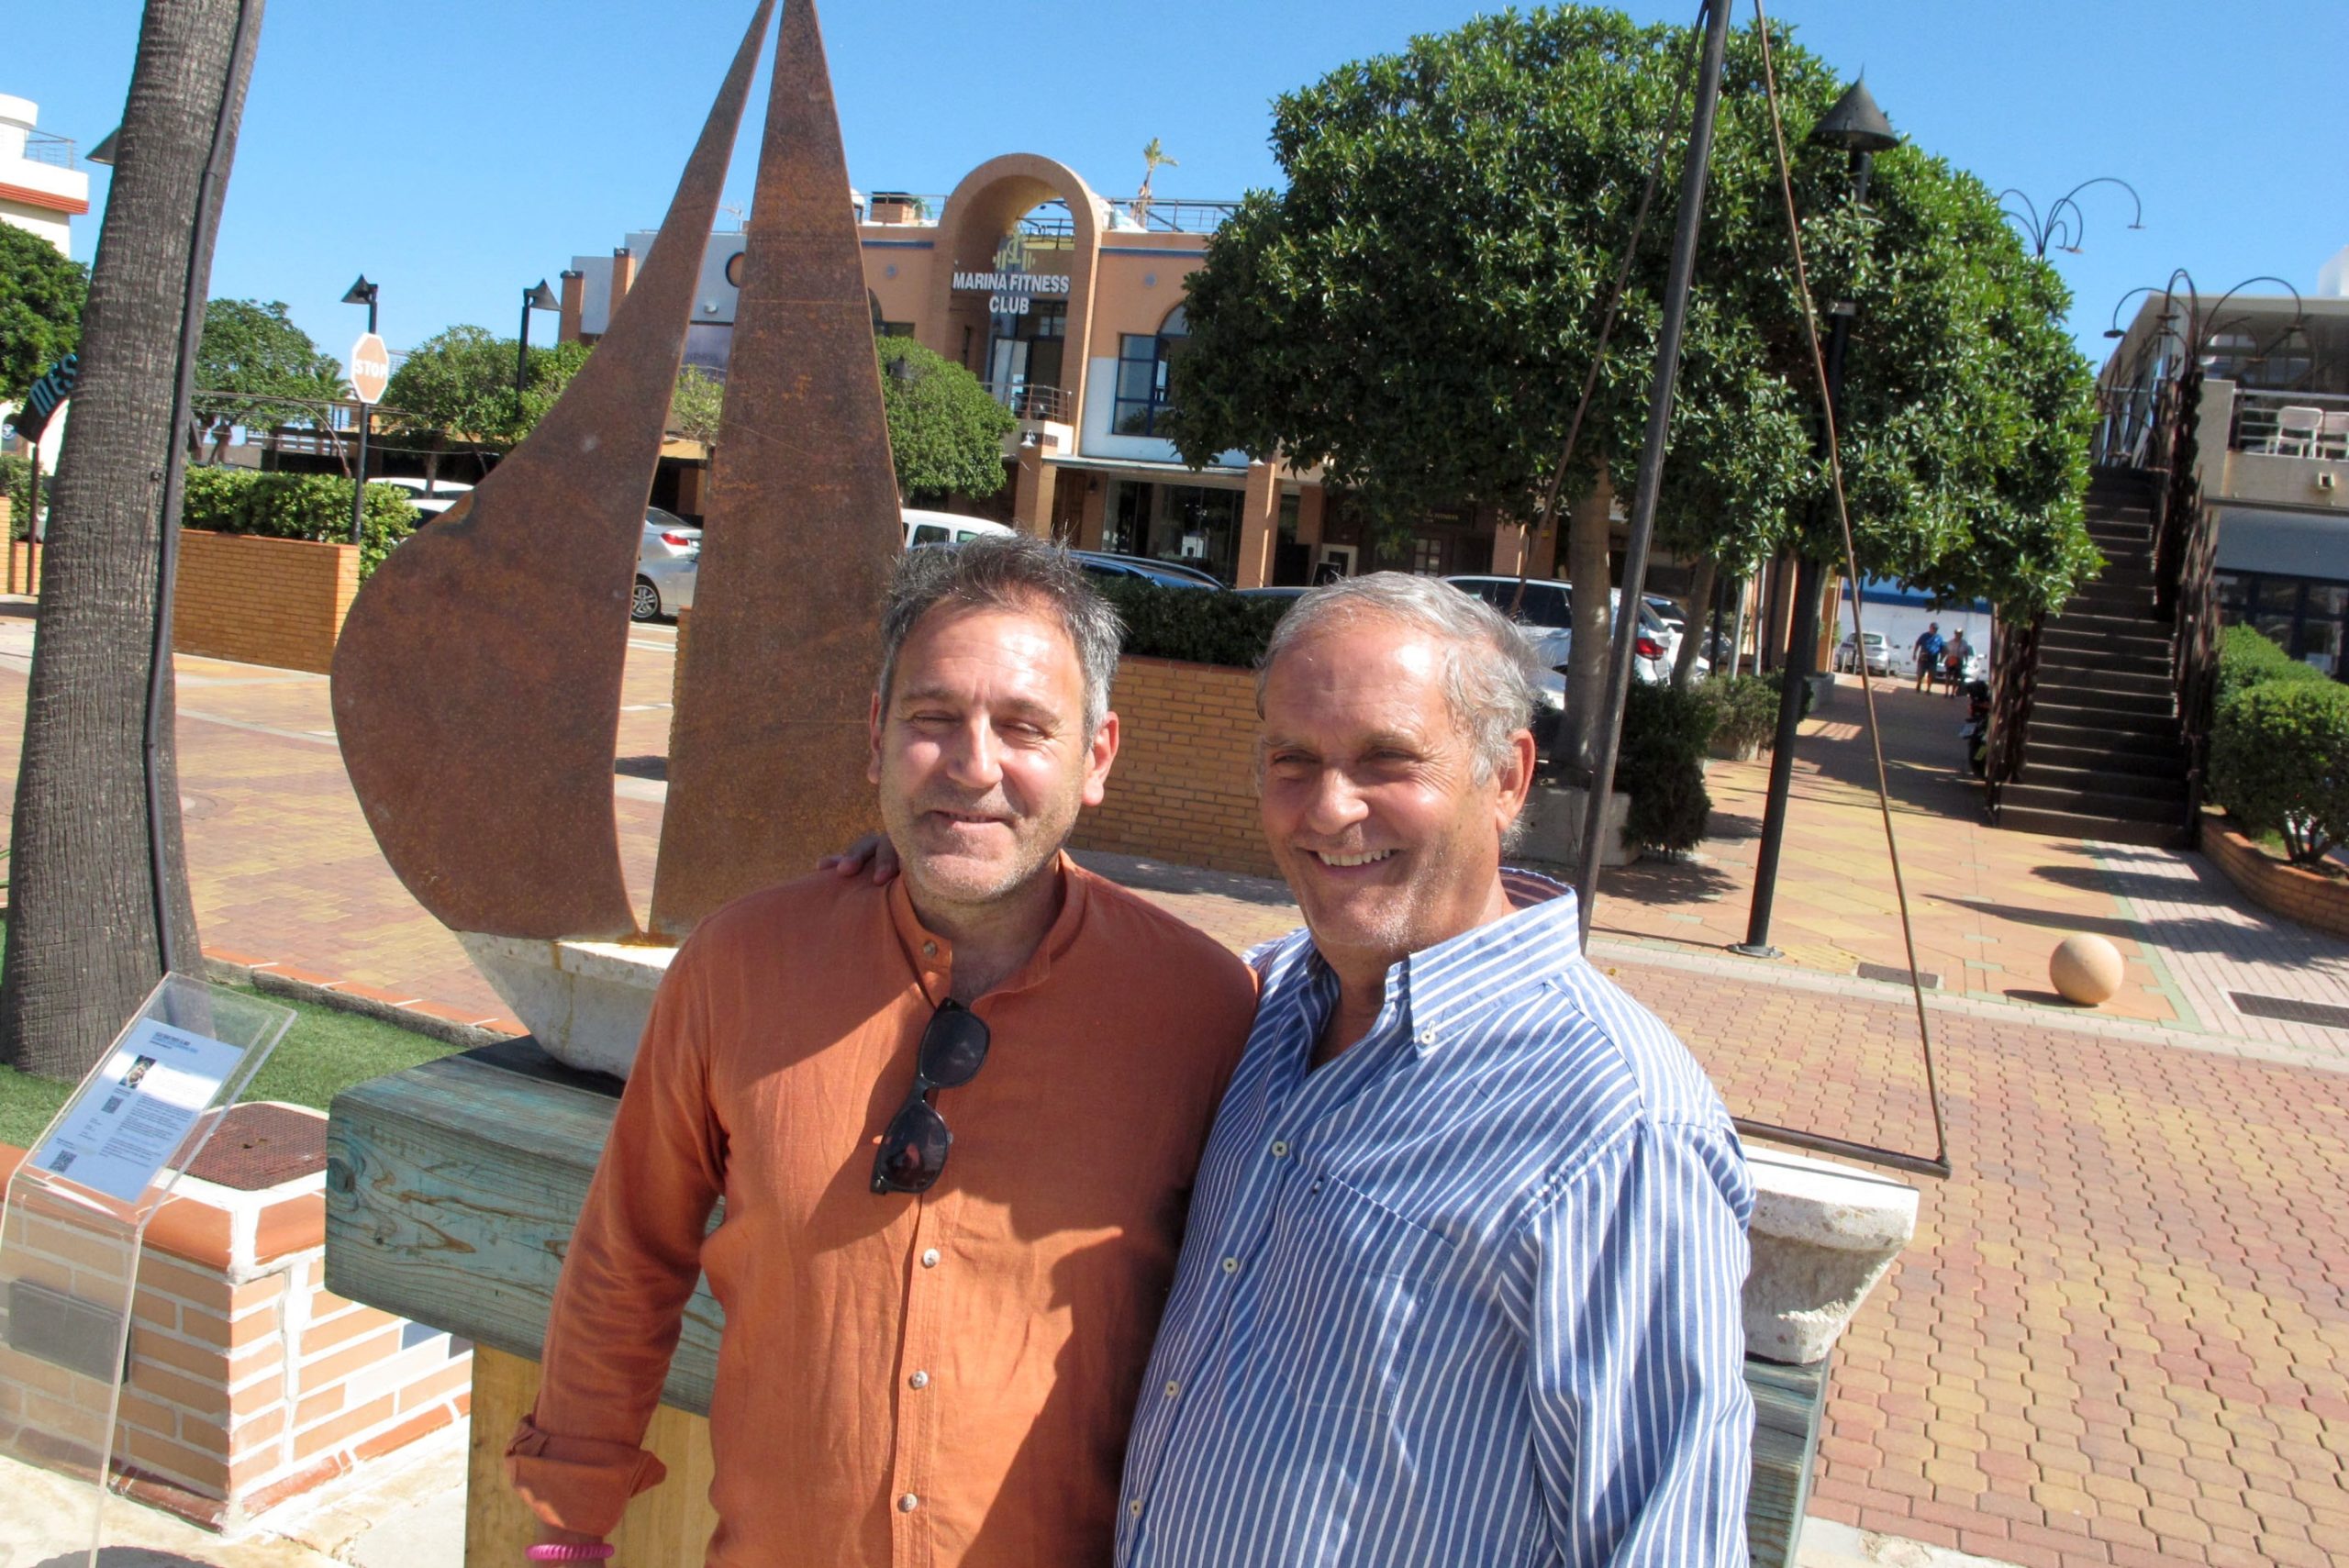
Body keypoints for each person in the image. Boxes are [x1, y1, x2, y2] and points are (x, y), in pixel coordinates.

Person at [507, 538, 1259, 1566]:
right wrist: (571, 1515)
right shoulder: (739, 965)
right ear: (874, 733)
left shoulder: (1205, 1010)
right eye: (933, 718)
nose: (972, 764)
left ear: (1097, 756)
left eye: (1025, 727)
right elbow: (629, 1253)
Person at [1116, 574, 1754, 1566]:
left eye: (1387, 760)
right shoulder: (1266, 999)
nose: (1329, 809)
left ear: (1506, 776)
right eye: (1293, 759)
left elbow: (1661, 1534)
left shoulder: (1614, 1125)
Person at [1912, 621, 1944, 693]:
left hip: (1933, 658)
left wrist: (1942, 658)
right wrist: (1914, 653)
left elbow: (1942, 648)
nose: (1934, 630)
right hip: (1923, 657)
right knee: (1920, 673)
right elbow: (1917, 644)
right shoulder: (1924, 635)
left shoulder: (1939, 638)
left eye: (1936, 629)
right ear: (1930, 628)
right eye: (1933, 628)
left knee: (1932, 675)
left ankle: (1928, 689)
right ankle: (1919, 684)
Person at [1943, 630, 1969, 695]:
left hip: (1959, 660)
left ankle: (1952, 692)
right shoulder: (1950, 642)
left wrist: (1966, 661)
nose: (1958, 635)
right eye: (1957, 634)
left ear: (1962, 635)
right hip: (1950, 660)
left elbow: (1966, 653)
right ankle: (1946, 691)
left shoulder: (1964, 643)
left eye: (1960, 634)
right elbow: (1946, 651)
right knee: (1948, 676)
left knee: (1956, 677)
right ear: (1955, 634)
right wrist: (1942, 659)